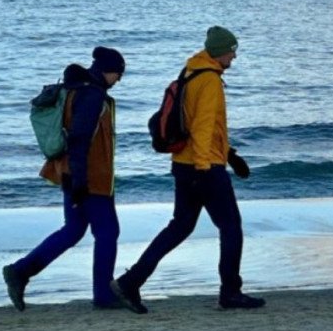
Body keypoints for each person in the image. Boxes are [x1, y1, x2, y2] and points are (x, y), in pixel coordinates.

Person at [111, 26, 262, 314]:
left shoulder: (191, 73)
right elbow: (203, 127)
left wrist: (229, 156)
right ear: (220, 52)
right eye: (232, 51)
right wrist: (206, 167)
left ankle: (131, 282)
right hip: (202, 167)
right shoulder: (210, 82)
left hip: (183, 165)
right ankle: (230, 292)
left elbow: (201, 127)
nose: (234, 56)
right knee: (231, 228)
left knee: (179, 227)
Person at [3, 47, 127, 311]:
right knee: (107, 232)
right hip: (89, 177)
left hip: (72, 173)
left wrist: (73, 178)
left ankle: (20, 272)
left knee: (72, 231)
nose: (119, 80)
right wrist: (80, 181)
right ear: (108, 71)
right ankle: (104, 295)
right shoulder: (92, 96)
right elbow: (80, 139)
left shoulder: (75, 90)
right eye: (118, 74)